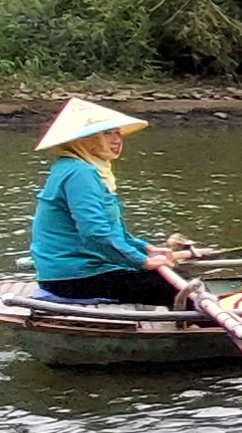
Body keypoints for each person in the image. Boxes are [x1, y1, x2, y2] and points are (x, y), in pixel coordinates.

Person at [28, 97, 189, 305]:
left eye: (117, 132)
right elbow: (96, 233)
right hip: (75, 278)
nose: (116, 140)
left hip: (78, 273)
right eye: (106, 134)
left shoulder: (76, 167)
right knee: (179, 291)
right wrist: (142, 261)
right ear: (84, 139)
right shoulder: (81, 173)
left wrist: (146, 248)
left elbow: (113, 231)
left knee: (180, 276)